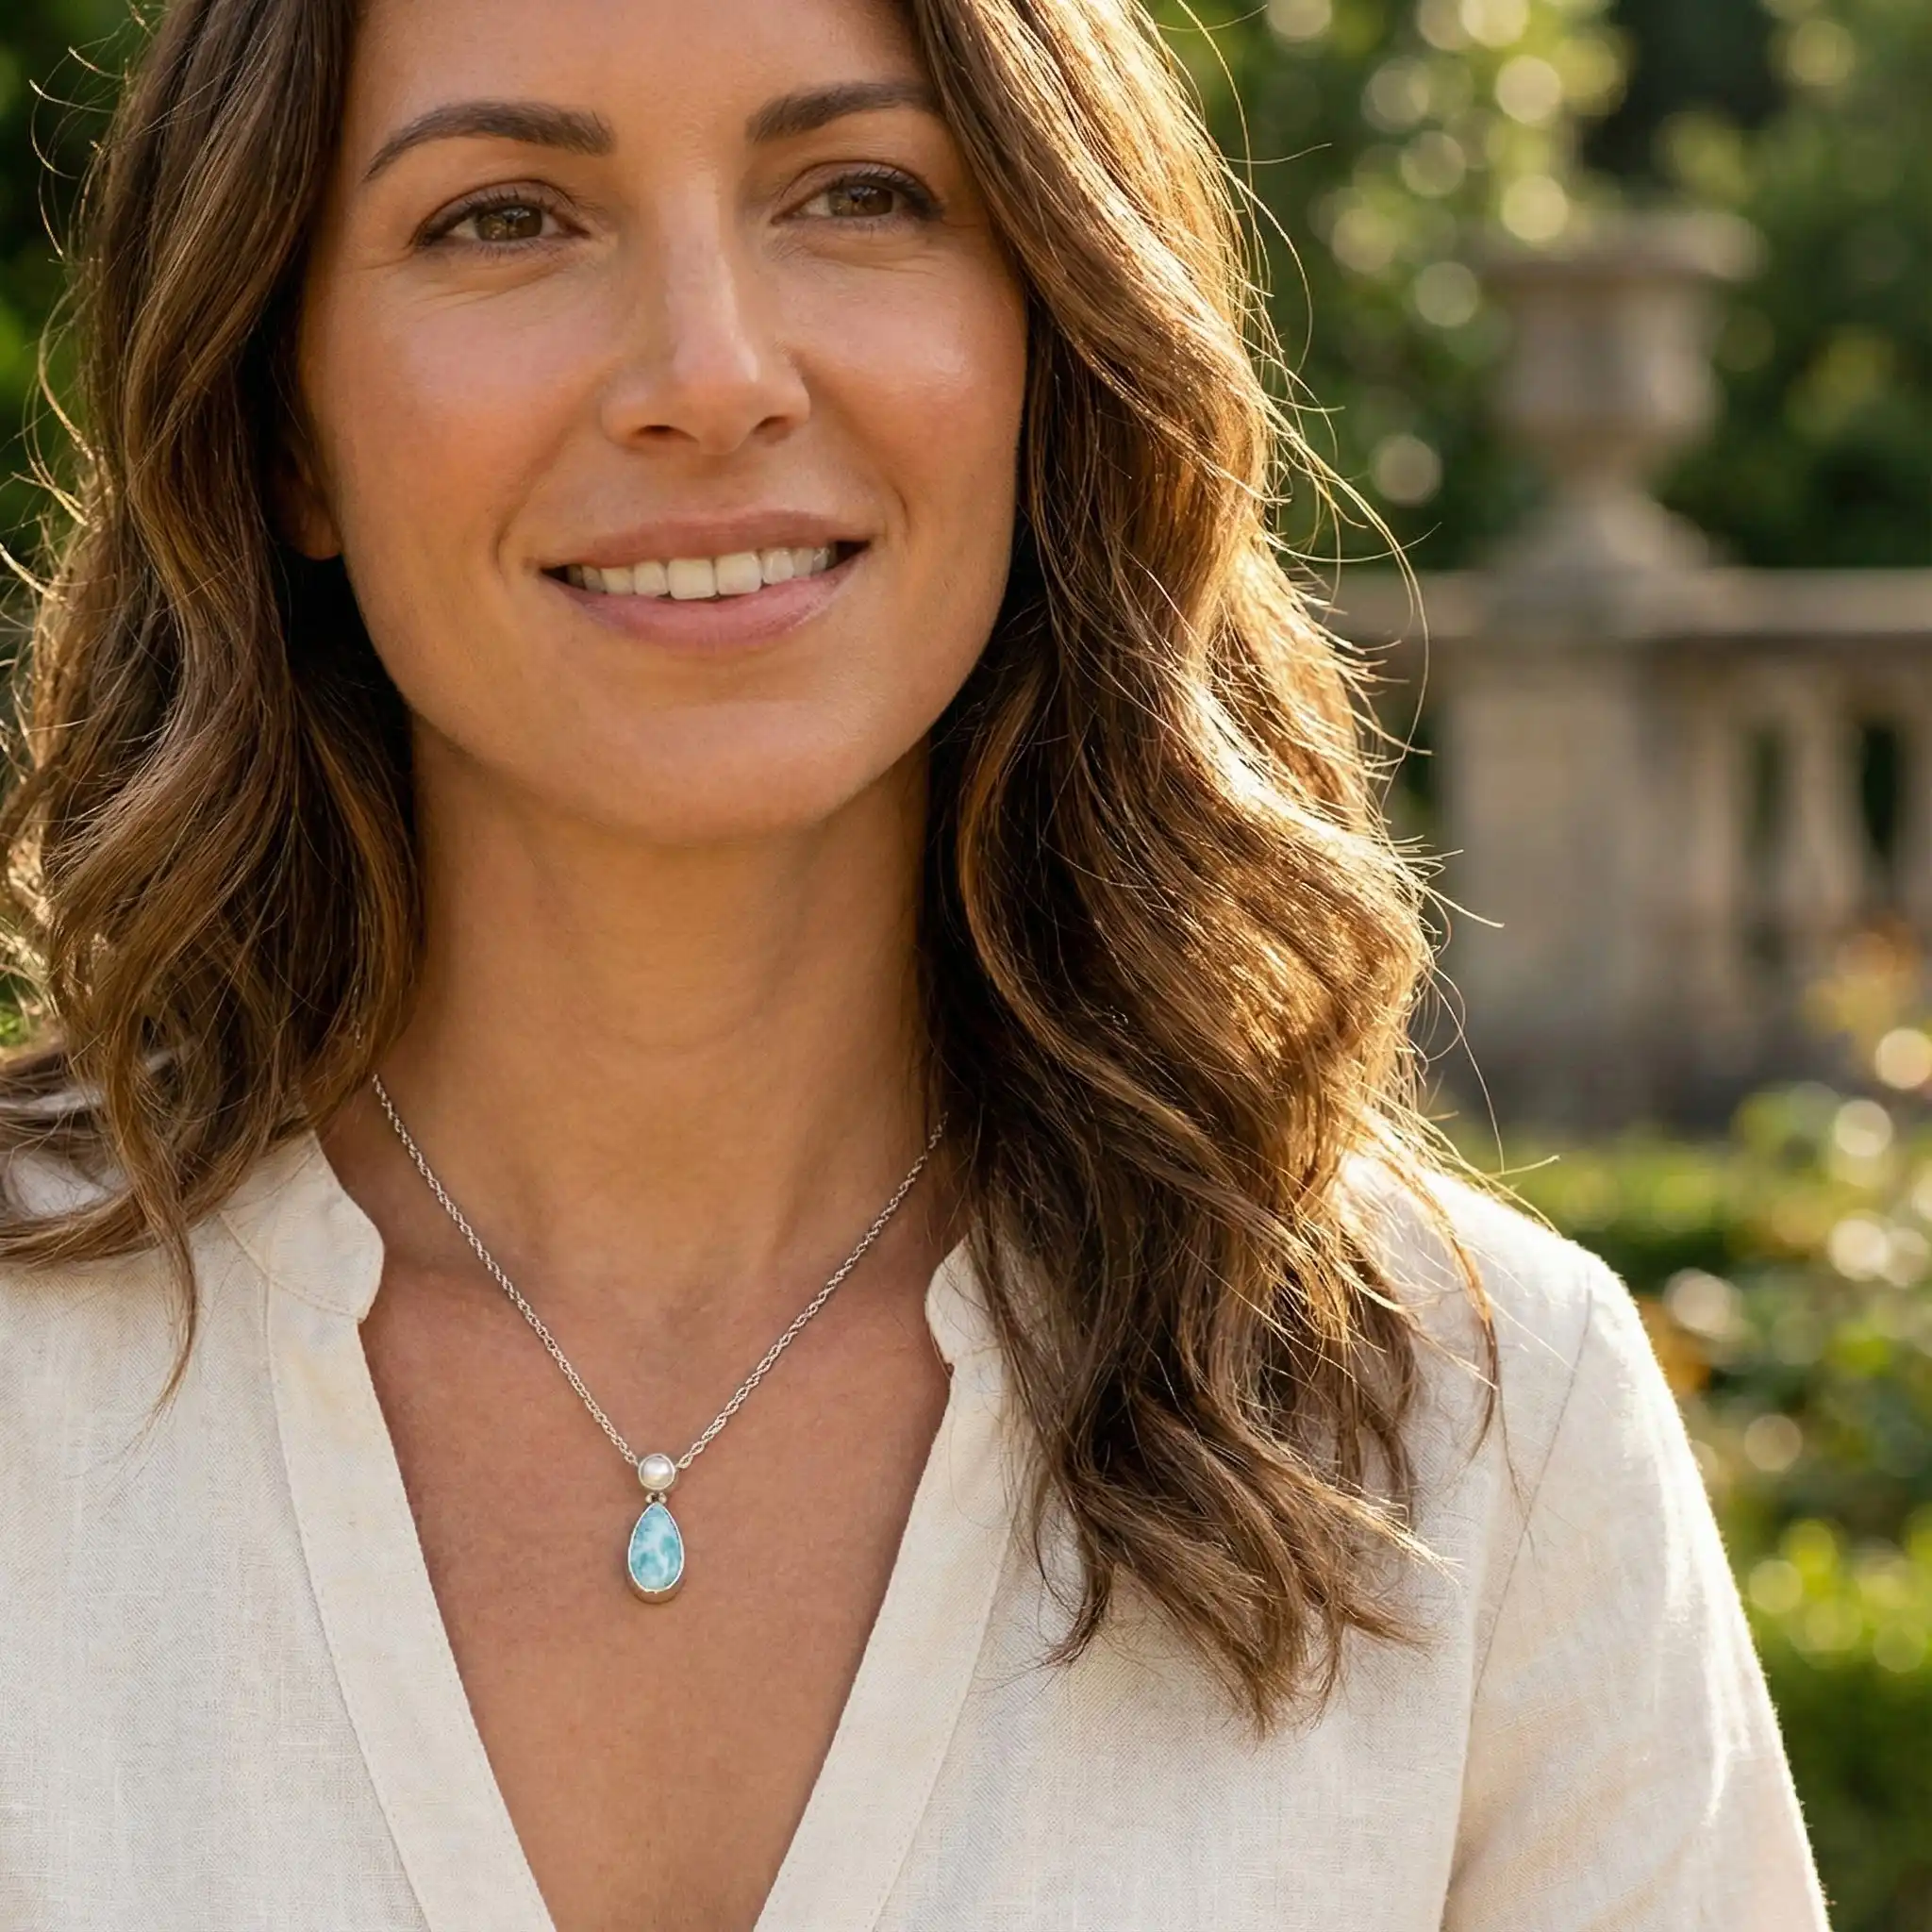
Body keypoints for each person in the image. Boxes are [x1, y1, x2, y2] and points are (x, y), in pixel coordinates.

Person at [0, 0, 1828, 1925]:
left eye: (858, 192)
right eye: (504, 218)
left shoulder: (1477, 1428)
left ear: (1051, 334)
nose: (709, 376)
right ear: (284, 423)